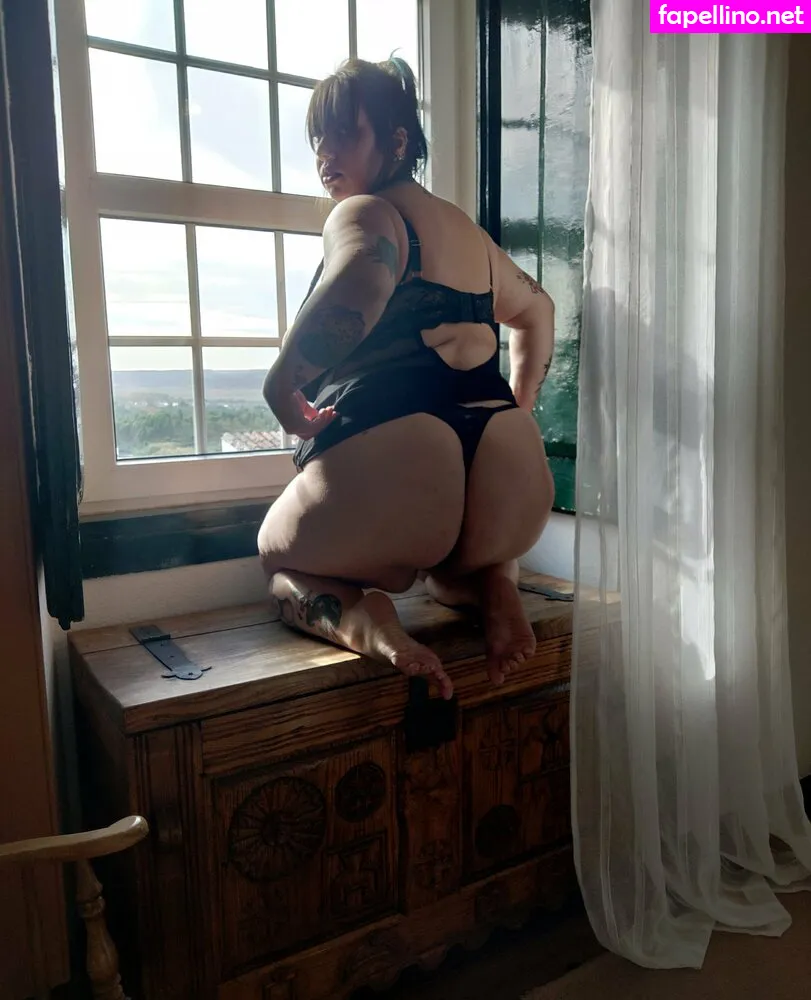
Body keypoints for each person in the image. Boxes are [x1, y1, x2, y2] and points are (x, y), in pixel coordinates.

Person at [258, 57, 555, 700]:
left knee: (276, 559)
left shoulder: (366, 210)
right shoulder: (470, 236)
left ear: (396, 143)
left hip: (404, 467)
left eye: (345, 134)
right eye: (318, 138)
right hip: (510, 477)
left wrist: (282, 386)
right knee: (446, 571)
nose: (326, 153)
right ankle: (493, 583)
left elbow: (365, 276)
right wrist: (520, 408)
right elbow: (539, 311)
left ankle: (371, 627)